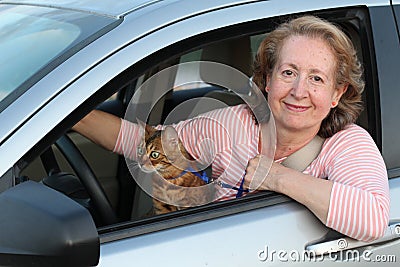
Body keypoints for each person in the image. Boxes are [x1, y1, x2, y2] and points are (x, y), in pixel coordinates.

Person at [73, 15, 389, 242]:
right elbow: (141, 142)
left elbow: (373, 220)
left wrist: (276, 177)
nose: (298, 91)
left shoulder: (347, 145)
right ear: (268, 79)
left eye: (317, 78)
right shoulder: (233, 124)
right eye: (288, 72)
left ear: (337, 93)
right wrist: (73, 115)